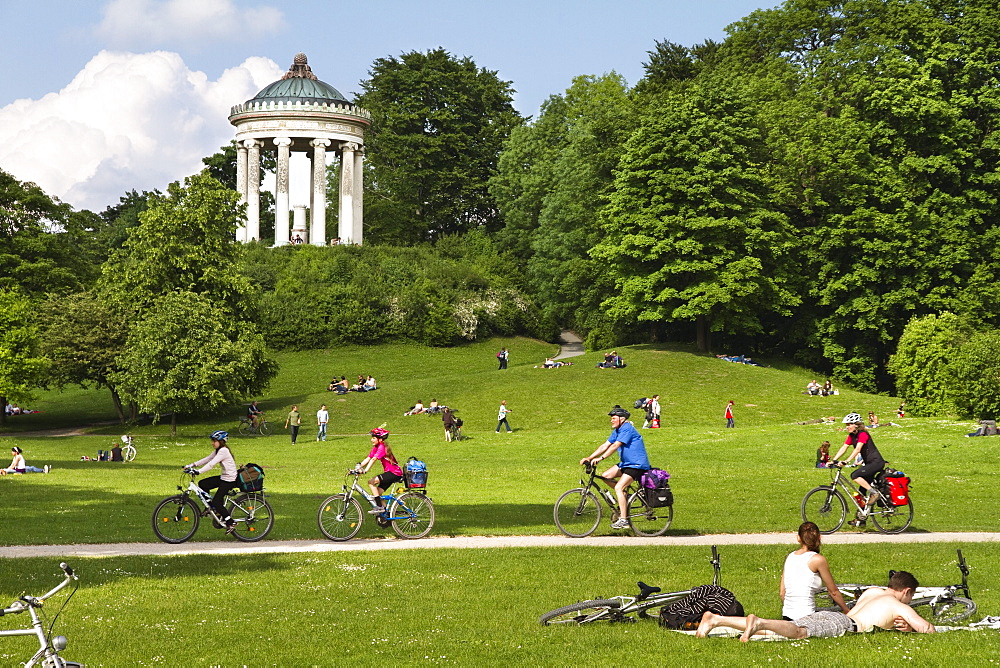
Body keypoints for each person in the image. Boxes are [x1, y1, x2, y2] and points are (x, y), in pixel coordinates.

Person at [697, 570, 933, 641]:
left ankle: (716, 619)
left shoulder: (873, 591)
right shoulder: (899, 605)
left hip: (828, 614)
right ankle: (758, 621)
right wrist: (912, 627)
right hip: (844, 624)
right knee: (799, 633)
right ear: (907, 591)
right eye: (910, 598)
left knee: (781, 629)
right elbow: (928, 629)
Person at [579, 406, 651, 530]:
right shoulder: (618, 430)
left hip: (636, 465)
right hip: (626, 464)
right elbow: (605, 445)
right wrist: (589, 458)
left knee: (618, 487)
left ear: (621, 419)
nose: (611, 421)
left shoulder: (627, 428)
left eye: (613, 418)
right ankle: (626, 496)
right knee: (606, 476)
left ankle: (624, 520)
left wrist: (601, 459)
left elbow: (615, 446)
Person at [781, 522, 849, 621]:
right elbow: (833, 591)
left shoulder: (790, 557)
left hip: (787, 616)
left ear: (798, 538)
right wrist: (846, 610)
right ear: (819, 537)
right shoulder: (817, 560)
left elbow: (782, 593)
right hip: (806, 616)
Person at [831, 412, 886, 527]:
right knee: (861, 493)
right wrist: (833, 460)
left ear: (856, 424)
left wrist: (846, 461)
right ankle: (861, 519)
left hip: (876, 462)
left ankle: (875, 493)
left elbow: (857, 450)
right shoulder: (852, 435)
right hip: (869, 463)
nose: (847, 427)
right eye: (846, 425)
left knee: (855, 475)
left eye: (849, 424)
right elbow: (844, 447)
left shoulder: (863, 434)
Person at [184, 431, 237, 534]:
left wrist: (199, 471)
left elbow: (211, 464)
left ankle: (231, 522)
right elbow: (207, 459)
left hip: (229, 480)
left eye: (214, 441)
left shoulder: (223, 451)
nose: (212, 443)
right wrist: (191, 465)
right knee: (203, 484)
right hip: (224, 477)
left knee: (217, 501)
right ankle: (212, 508)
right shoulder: (218, 450)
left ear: (221, 441)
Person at [352, 427, 403, 513]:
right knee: (377, 494)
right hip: (390, 473)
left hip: (394, 473)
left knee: (371, 482)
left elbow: (373, 459)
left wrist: (365, 470)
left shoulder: (381, 448)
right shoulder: (376, 447)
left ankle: (379, 507)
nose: (371, 440)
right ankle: (387, 514)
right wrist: (357, 468)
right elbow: (368, 458)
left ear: (380, 439)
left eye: (373, 438)